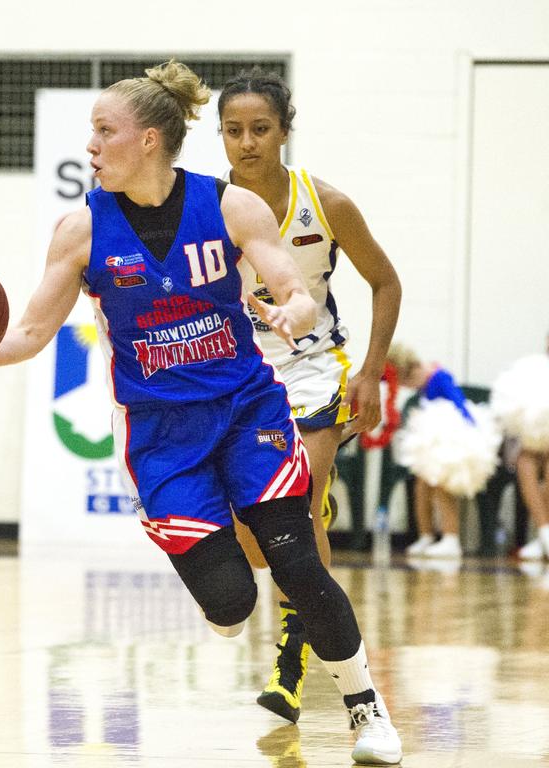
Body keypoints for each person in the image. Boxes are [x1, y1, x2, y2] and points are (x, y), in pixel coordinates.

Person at [0, 60, 402, 765]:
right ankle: (225, 590)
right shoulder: (80, 231)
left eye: (105, 131)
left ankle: (367, 713)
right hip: (163, 437)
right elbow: (30, 334)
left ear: (151, 141)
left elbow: (297, 289)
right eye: (92, 133)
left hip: (245, 409)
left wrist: (292, 308)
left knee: (297, 561)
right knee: (230, 604)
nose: (93, 146)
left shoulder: (230, 207)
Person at [216, 68, 402, 724]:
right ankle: (294, 607)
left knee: (296, 514)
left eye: (260, 129)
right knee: (250, 535)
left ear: (285, 132)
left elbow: (386, 282)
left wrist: (372, 372)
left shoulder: (325, 203)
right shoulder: (207, 210)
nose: (247, 142)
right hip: (236, 379)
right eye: (234, 130)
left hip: (314, 368)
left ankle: (290, 668)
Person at [389, 343, 501, 558]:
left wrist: (471, 429)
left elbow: (458, 401)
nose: (406, 386)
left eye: (406, 380)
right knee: (421, 486)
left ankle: (451, 538)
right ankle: (426, 535)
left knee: (442, 485)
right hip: (436, 445)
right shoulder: (422, 385)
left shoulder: (439, 376)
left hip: (454, 442)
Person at [490, 335, 549, 560]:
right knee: (525, 458)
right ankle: (544, 534)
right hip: (533, 439)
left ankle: (543, 535)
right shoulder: (532, 368)